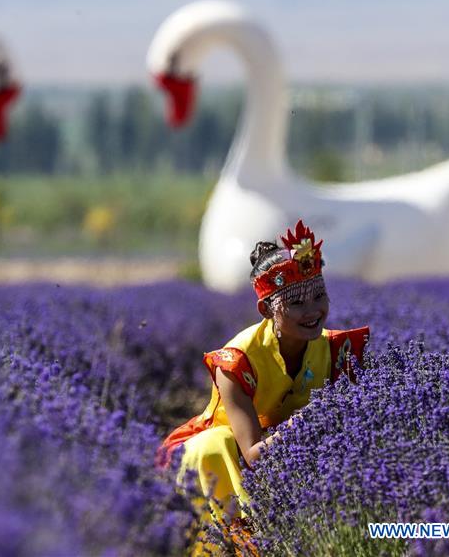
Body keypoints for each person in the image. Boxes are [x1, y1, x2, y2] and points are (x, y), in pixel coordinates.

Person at [158, 220, 369, 554]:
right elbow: (254, 453)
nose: (313, 311)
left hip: (293, 451)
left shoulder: (335, 350)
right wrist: (311, 420)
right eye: (297, 304)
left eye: (319, 296)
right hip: (232, 454)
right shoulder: (238, 361)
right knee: (216, 443)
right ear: (266, 310)